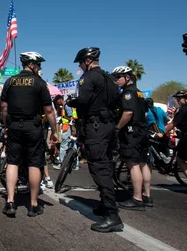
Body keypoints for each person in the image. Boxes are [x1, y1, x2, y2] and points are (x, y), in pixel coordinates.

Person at [67, 47, 123, 232]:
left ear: (88, 61)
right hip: (108, 127)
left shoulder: (88, 77)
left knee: (99, 168)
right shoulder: (109, 79)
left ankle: (112, 215)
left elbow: (82, 100)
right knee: (106, 165)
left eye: (81, 63)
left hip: (95, 127)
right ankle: (105, 204)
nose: (81, 67)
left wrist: (71, 102)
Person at [0, 51, 57, 217]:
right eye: (38, 64)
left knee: (12, 162)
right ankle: (33, 205)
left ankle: (10, 202)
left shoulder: (10, 81)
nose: (39, 68)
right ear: (31, 64)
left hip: (14, 126)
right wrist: (54, 131)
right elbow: (48, 110)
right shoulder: (39, 83)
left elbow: (4, 107)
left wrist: (6, 125)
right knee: (34, 163)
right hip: (33, 126)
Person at [111, 66, 152, 210]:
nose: (116, 80)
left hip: (131, 133)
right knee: (143, 163)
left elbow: (128, 113)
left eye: (118, 77)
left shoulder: (128, 93)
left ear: (127, 77)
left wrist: (117, 128)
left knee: (133, 164)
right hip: (142, 131)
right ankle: (147, 195)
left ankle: (137, 198)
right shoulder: (139, 92)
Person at [55, 95, 78, 170]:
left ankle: (62, 164)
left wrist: (72, 129)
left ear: (60, 99)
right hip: (69, 128)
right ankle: (75, 164)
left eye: (57, 101)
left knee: (63, 146)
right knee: (73, 146)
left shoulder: (66, 105)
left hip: (67, 128)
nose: (57, 103)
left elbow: (71, 118)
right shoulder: (66, 105)